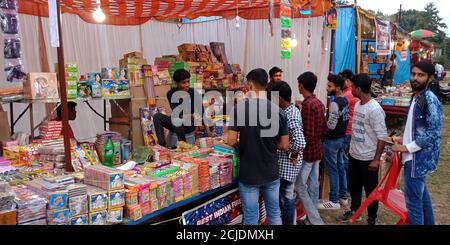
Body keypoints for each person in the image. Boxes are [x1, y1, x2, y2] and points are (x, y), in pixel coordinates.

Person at [226, 68, 289, 225]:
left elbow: (231, 141)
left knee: (251, 217)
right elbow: (284, 145)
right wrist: (267, 141)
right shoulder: (279, 111)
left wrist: (246, 142)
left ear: (249, 85)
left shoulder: (239, 109)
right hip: (271, 171)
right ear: (266, 84)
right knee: (274, 214)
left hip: (249, 173)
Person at [392, 62, 442, 225]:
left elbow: (433, 133)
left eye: (420, 75)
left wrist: (406, 147)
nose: (415, 78)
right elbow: (416, 127)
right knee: (422, 199)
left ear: (430, 78)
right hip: (414, 157)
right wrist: (403, 138)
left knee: (414, 205)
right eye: (413, 74)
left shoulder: (429, 99)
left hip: (417, 159)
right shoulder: (417, 96)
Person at [336, 73, 387, 225]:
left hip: (368, 158)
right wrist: (351, 147)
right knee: (354, 186)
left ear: (358, 89)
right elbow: (357, 129)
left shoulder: (375, 109)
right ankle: (355, 210)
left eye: (352, 87)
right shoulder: (358, 104)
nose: (350, 89)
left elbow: (382, 136)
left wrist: (376, 159)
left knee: (371, 190)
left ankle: (372, 217)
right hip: (354, 154)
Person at [268, 81, 306, 225]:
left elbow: (300, 143)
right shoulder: (286, 112)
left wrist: (283, 147)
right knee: (286, 197)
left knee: (286, 198)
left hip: (287, 166)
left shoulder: (291, 115)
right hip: (284, 164)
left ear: (280, 99)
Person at [295, 72, 327, 225]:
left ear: (301, 85)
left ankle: (315, 220)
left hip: (308, 153)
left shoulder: (307, 106)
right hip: (317, 151)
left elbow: (307, 135)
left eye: (299, 84)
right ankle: (311, 218)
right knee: (313, 186)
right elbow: (323, 129)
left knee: (300, 187)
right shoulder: (319, 103)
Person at [153, 69, 209, 147]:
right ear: (177, 83)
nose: (187, 85)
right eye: (183, 82)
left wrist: (207, 133)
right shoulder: (171, 93)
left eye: (188, 82)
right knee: (157, 116)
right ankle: (162, 146)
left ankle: (184, 145)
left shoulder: (194, 93)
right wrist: (191, 115)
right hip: (178, 124)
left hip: (190, 125)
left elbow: (201, 114)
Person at [318, 74, 349, 210]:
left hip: (332, 141)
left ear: (337, 88)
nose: (327, 88)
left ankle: (334, 200)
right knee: (340, 167)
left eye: (329, 86)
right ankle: (343, 196)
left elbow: (331, 125)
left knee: (333, 170)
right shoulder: (345, 101)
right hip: (341, 139)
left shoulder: (334, 103)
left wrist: (322, 123)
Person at [339, 69, 359, 201]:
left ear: (347, 81)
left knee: (343, 161)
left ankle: (344, 191)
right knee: (346, 160)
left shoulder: (347, 95)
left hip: (347, 130)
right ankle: (348, 189)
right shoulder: (354, 93)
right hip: (352, 129)